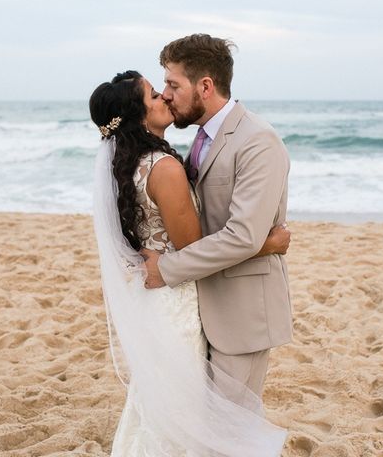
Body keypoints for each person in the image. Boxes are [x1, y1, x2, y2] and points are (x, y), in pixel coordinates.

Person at [90, 70, 289, 456]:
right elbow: (192, 246)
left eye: (166, 88)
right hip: (175, 301)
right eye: (153, 95)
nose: (165, 97)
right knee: (183, 413)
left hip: (156, 299)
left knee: (162, 405)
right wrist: (266, 244)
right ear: (138, 115)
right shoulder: (163, 168)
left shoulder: (126, 166)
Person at [142, 34, 293, 407]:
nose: (165, 95)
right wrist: (267, 242)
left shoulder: (258, 140)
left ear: (205, 86)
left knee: (231, 432)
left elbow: (242, 236)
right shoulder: (199, 139)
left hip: (241, 313)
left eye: (173, 84)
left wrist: (168, 269)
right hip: (199, 307)